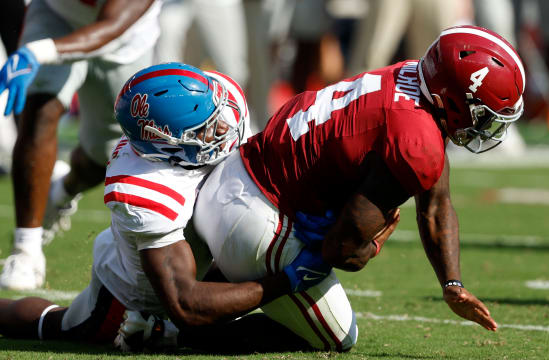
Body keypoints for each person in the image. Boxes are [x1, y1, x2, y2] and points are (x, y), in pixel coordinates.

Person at [192, 25, 525, 351]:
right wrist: (374, 245)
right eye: (483, 114)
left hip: (226, 179)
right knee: (339, 336)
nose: (486, 125)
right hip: (258, 221)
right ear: (448, 99)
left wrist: (452, 284)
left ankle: (181, 308)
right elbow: (343, 252)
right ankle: (185, 334)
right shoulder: (416, 142)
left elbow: (436, 205)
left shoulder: (410, 75)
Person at [0, 63, 331, 351]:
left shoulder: (212, 98)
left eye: (216, 115)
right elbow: (185, 304)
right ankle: (158, 331)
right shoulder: (143, 189)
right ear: (165, 142)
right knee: (66, 326)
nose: (224, 128)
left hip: (202, 240)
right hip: (137, 295)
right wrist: (288, 280)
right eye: (205, 129)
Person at [0, 0, 161, 290]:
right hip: (55, 15)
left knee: (107, 156)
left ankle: (62, 190)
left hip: (123, 40)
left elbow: (110, 27)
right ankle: (26, 250)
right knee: (41, 110)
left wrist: (36, 52)